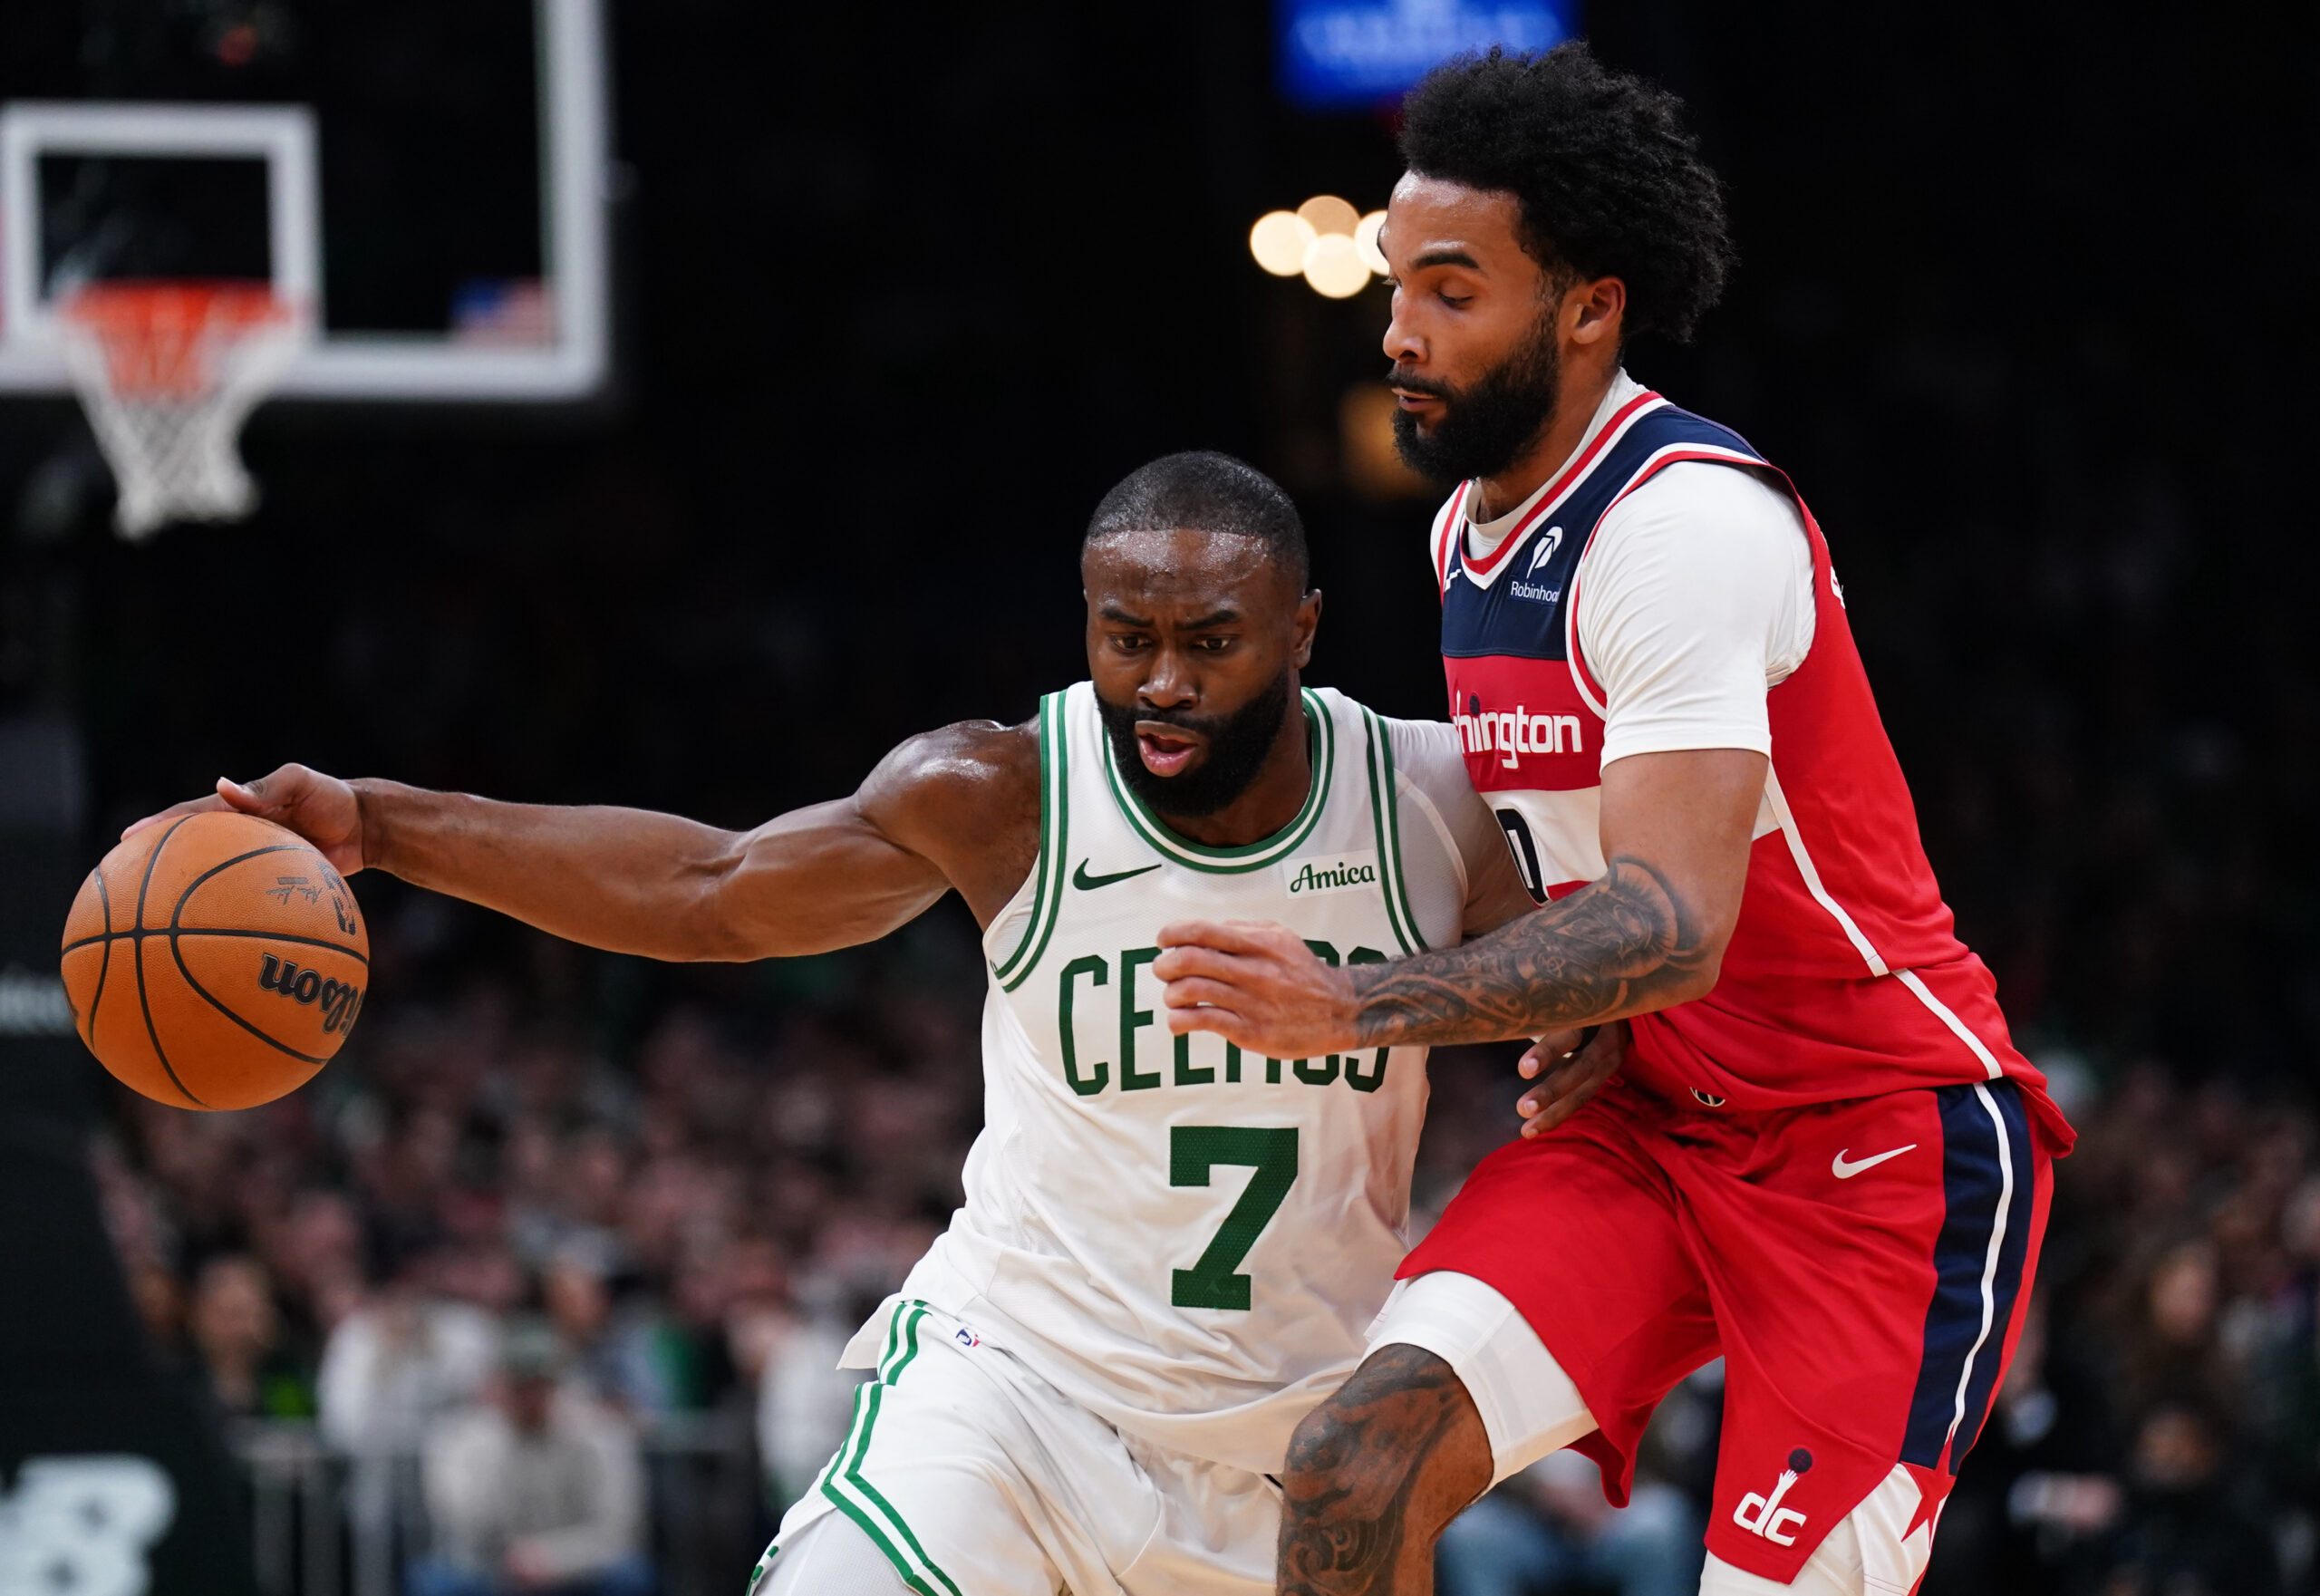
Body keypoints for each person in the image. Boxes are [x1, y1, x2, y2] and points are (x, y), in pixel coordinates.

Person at [127, 450, 1537, 1596]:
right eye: (1129, 638)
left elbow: (1649, 924)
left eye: (1212, 643)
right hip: (1016, 1391)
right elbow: (710, 889)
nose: (1162, 682)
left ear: (1301, 629)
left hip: (1298, 1450)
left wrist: (1581, 1026)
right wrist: (382, 822)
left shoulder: (1430, 800)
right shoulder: (1007, 793)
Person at [1152, 44, 2076, 1596]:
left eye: (1454, 291)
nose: (1398, 332)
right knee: (1351, 1464)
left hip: (1877, 1145)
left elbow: (1671, 921)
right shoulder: (1467, 533)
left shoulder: (1686, 527)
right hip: (1656, 1122)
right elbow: (1569, 881)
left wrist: (1357, 1005)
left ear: (1589, 309)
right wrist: (1587, 1000)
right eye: (1396, 287)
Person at [407, 1320, 652, 1596]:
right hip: (490, 1570)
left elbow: (617, 1529)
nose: (530, 1395)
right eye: (519, 1383)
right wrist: (498, 1441)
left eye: (540, 1382)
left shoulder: (599, 1434)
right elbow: (465, 1523)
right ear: (499, 1382)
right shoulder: (461, 1438)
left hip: (581, 1570)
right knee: (433, 1581)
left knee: (630, 1576)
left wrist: (550, 1559)